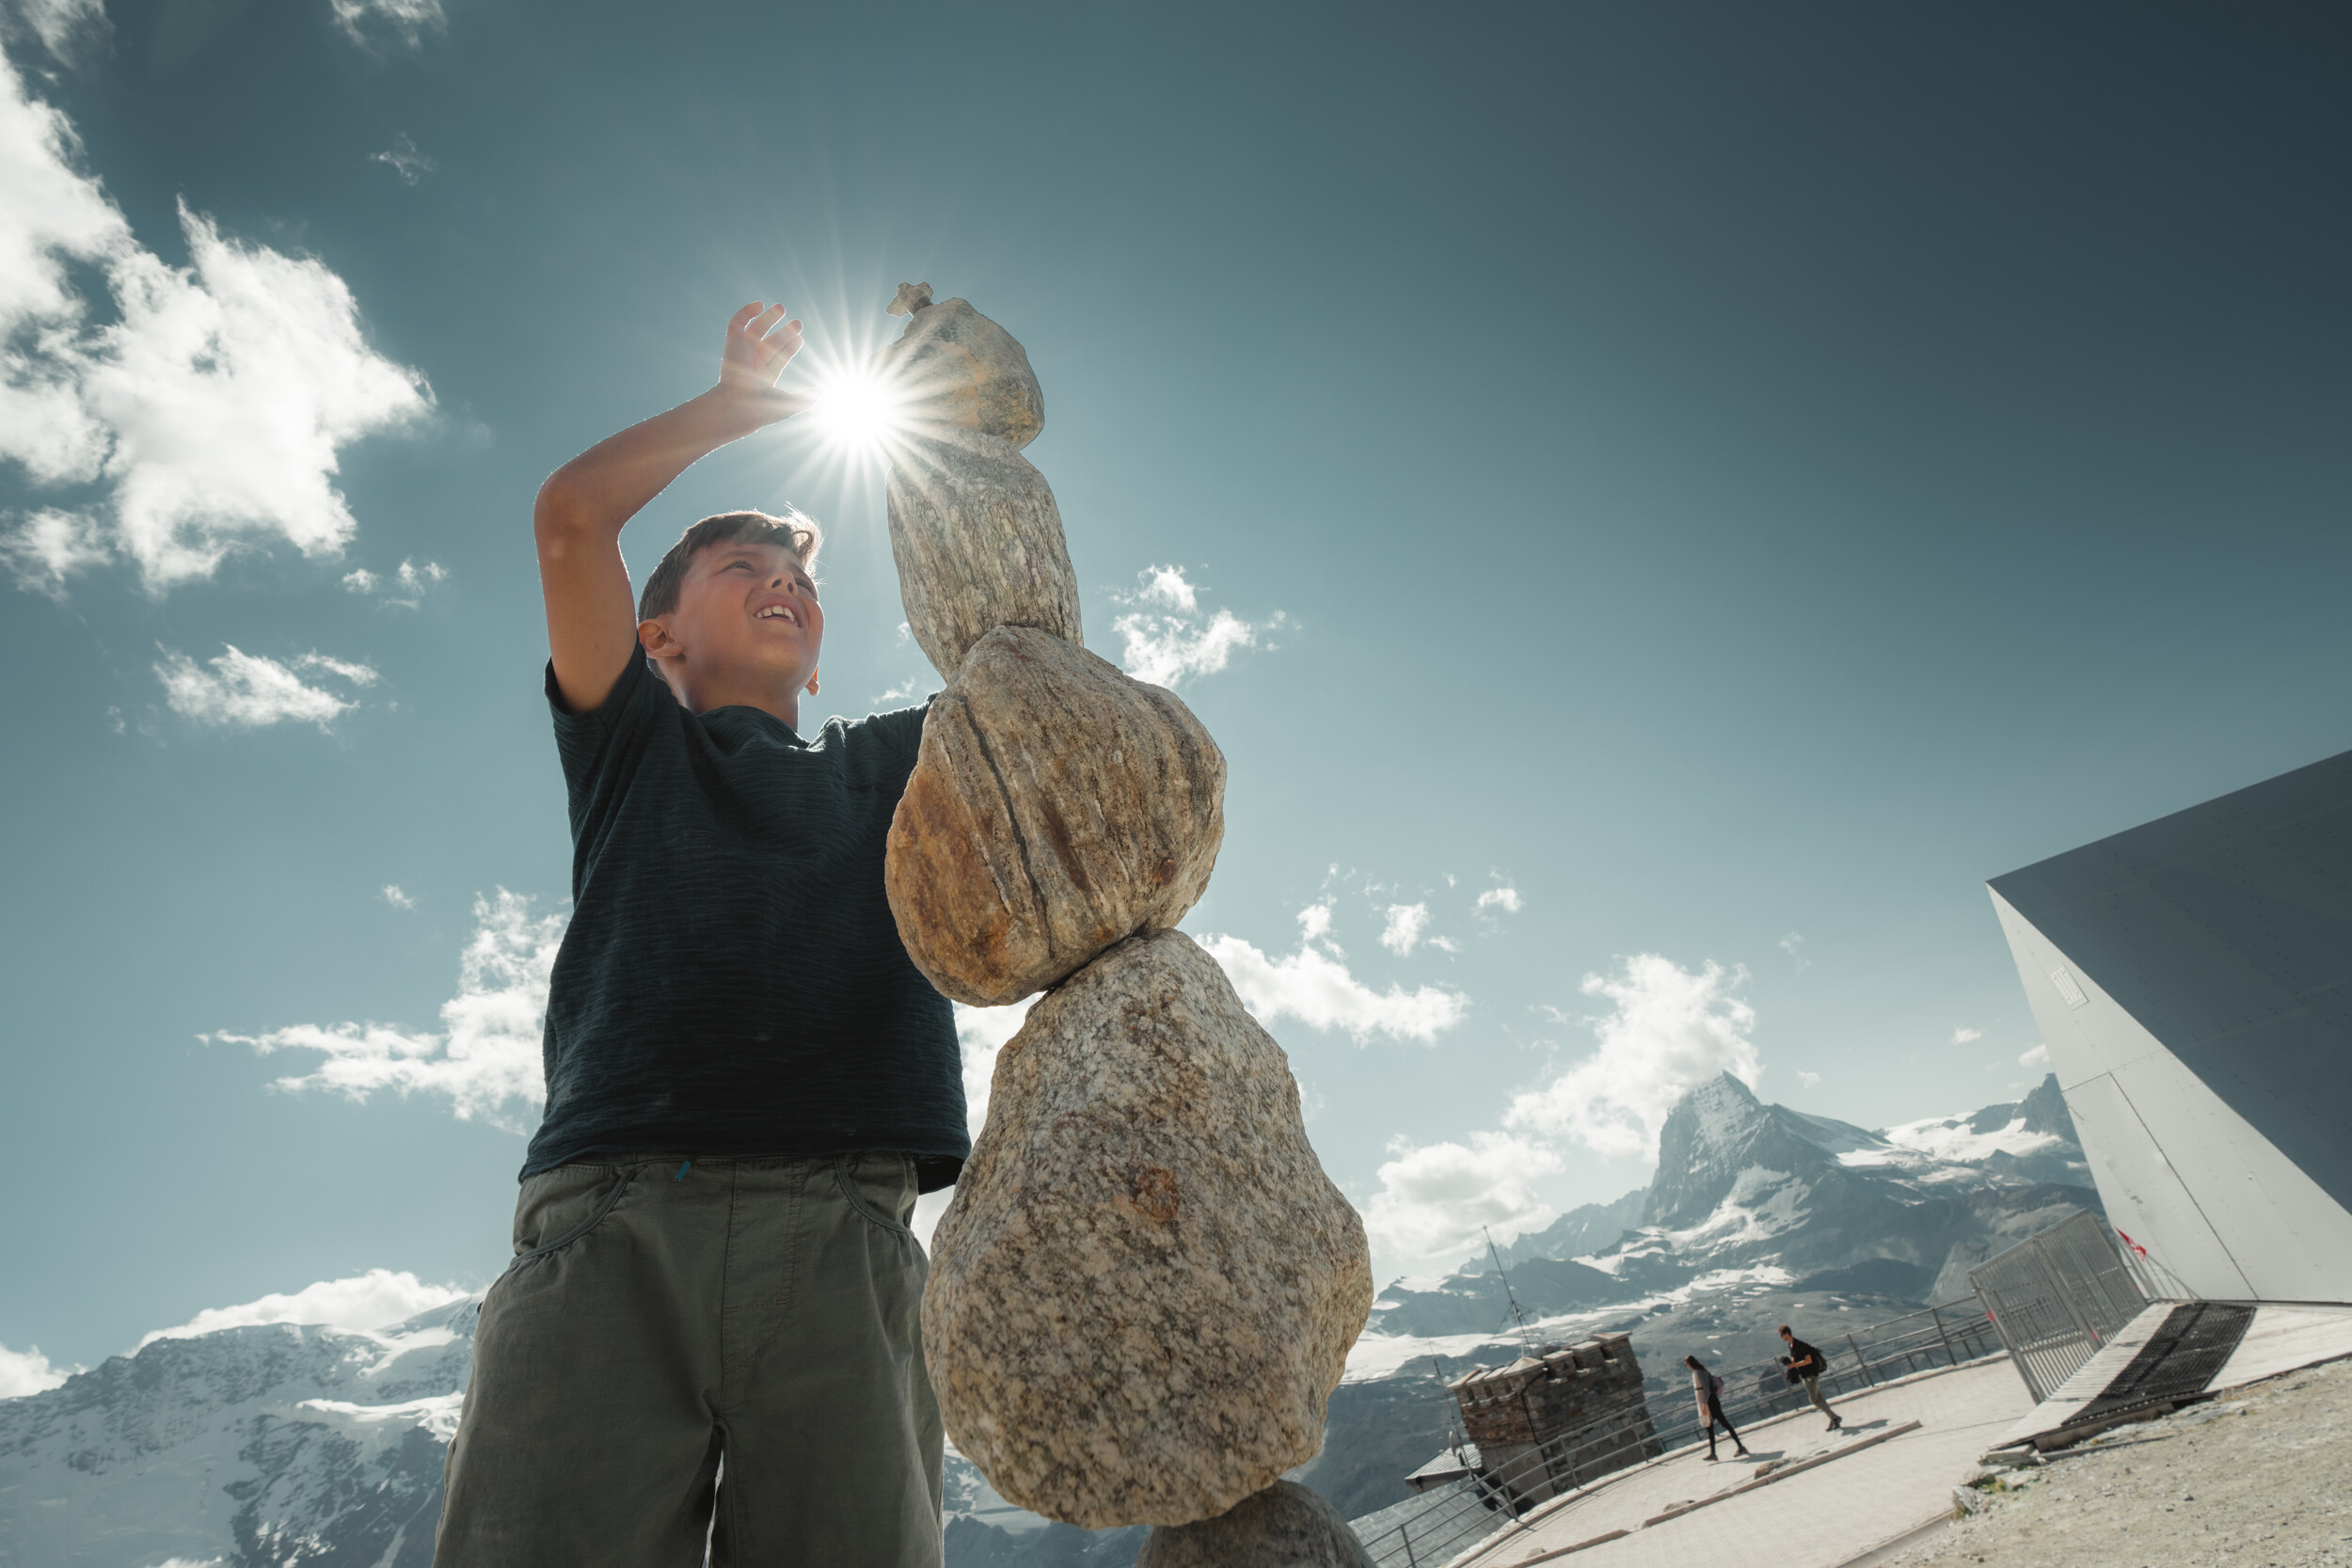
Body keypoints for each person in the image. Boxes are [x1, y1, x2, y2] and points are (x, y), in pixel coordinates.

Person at [431, 303, 970, 1568]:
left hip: (849, 1228)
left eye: (802, 576)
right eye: (739, 565)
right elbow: (572, 517)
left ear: (825, 655)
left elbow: (1038, 696)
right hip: (613, 1225)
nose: (783, 578)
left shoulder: (896, 762)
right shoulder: (629, 740)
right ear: (654, 633)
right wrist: (735, 408)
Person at [1685, 1354, 1750, 1462]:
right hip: (1710, 1402)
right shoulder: (1699, 1371)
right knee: (1712, 1427)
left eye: (1686, 1363)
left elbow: (1706, 1389)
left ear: (1690, 1363)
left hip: (1710, 1403)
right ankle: (1715, 1453)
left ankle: (1738, 1447)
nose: (1686, 1365)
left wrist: (1705, 1404)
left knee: (1722, 1424)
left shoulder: (1699, 1372)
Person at [1779, 1324, 1844, 1432]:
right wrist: (1790, 1363)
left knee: (1814, 1400)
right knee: (1820, 1399)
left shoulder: (1799, 1345)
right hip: (1805, 1375)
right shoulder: (1791, 1345)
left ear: (1786, 1334)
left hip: (1811, 1375)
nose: (1781, 1337)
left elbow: (1808, 1360)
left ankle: (1835, 1418)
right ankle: (1833, 1420)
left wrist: (1794, 1365)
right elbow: (1796, 1358)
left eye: (1781, 1335)